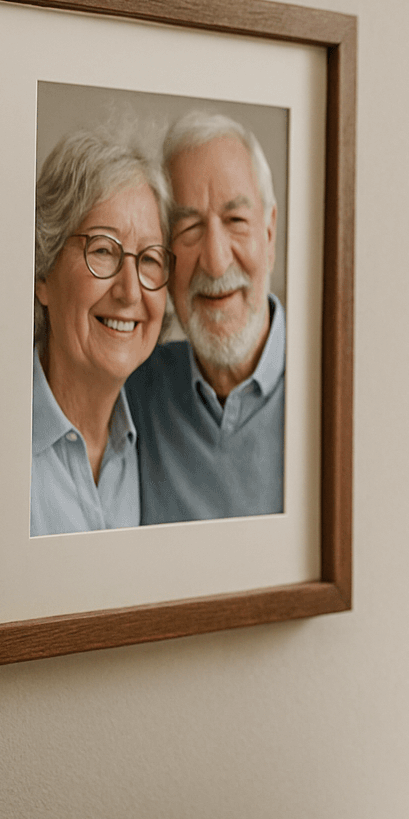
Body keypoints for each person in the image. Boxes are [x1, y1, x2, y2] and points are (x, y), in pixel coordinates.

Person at [125, 111, 285, 523]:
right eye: (190, 228)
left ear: (269, 236)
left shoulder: (336, 388)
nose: (215, 263)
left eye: (236, 221)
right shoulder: (132, 392)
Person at [31, 130, 172, 537]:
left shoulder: (157, 438)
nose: (130, 292)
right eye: (104, 250)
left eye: (149, 259)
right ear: (44, 272)